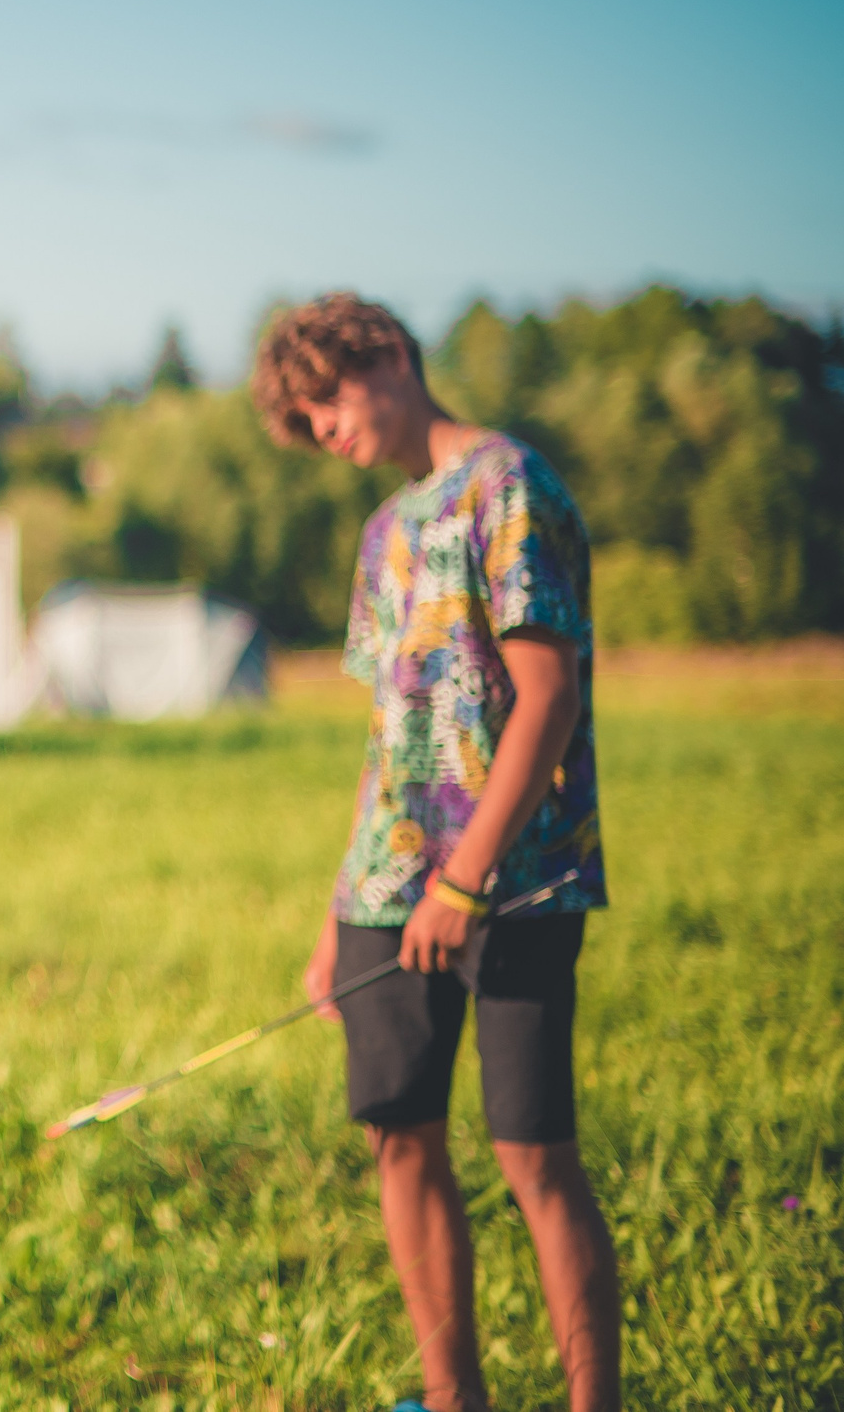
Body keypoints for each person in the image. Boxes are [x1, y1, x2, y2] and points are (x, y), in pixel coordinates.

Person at [252, 296, 618, 1412]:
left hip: (515, 883)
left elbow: (547, 698)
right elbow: (390, 739)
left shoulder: (510, 487)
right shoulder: (385, 531)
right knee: (399, 1138)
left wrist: (463, 881)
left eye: (326, 399)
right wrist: (340, 912)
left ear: (391, 358)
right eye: (304, 421)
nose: (323, 429)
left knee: (533, 1154)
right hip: (386, 889)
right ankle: (450, 1397)